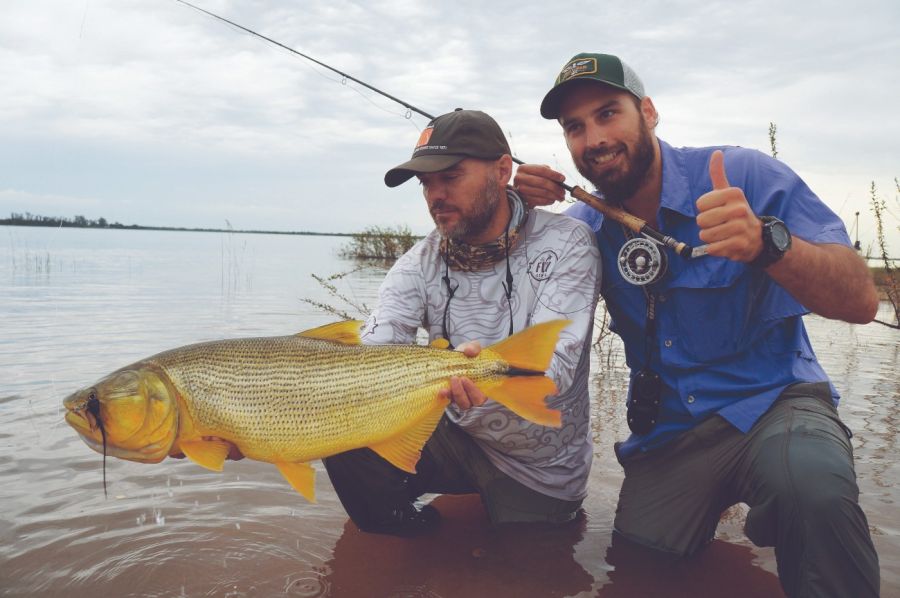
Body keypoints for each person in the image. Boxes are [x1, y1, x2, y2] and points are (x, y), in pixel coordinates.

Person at [511, 53, 881, 597]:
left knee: (815, 492)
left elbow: (860, 301)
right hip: (670, 435)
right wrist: (520, 220)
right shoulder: (582, 226)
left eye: (608, 113)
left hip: (774, 404)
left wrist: (768, 243)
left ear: (649, 112)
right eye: (575, 127)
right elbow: (528, 326)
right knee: (636, 571)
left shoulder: (745, 174)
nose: (593, 138)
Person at [321, 109, 601, 536]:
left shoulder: (567, 243)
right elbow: (375, 354)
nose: (436, 195)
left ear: (503, 170)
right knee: (340, 431)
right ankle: (417, 540)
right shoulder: (416, 264)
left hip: (540, 467)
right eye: (426, 184)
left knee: (534, 573)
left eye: (450, 177)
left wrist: (482, 371)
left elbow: (553, 373)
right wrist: (252, 424)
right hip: (453, 437)